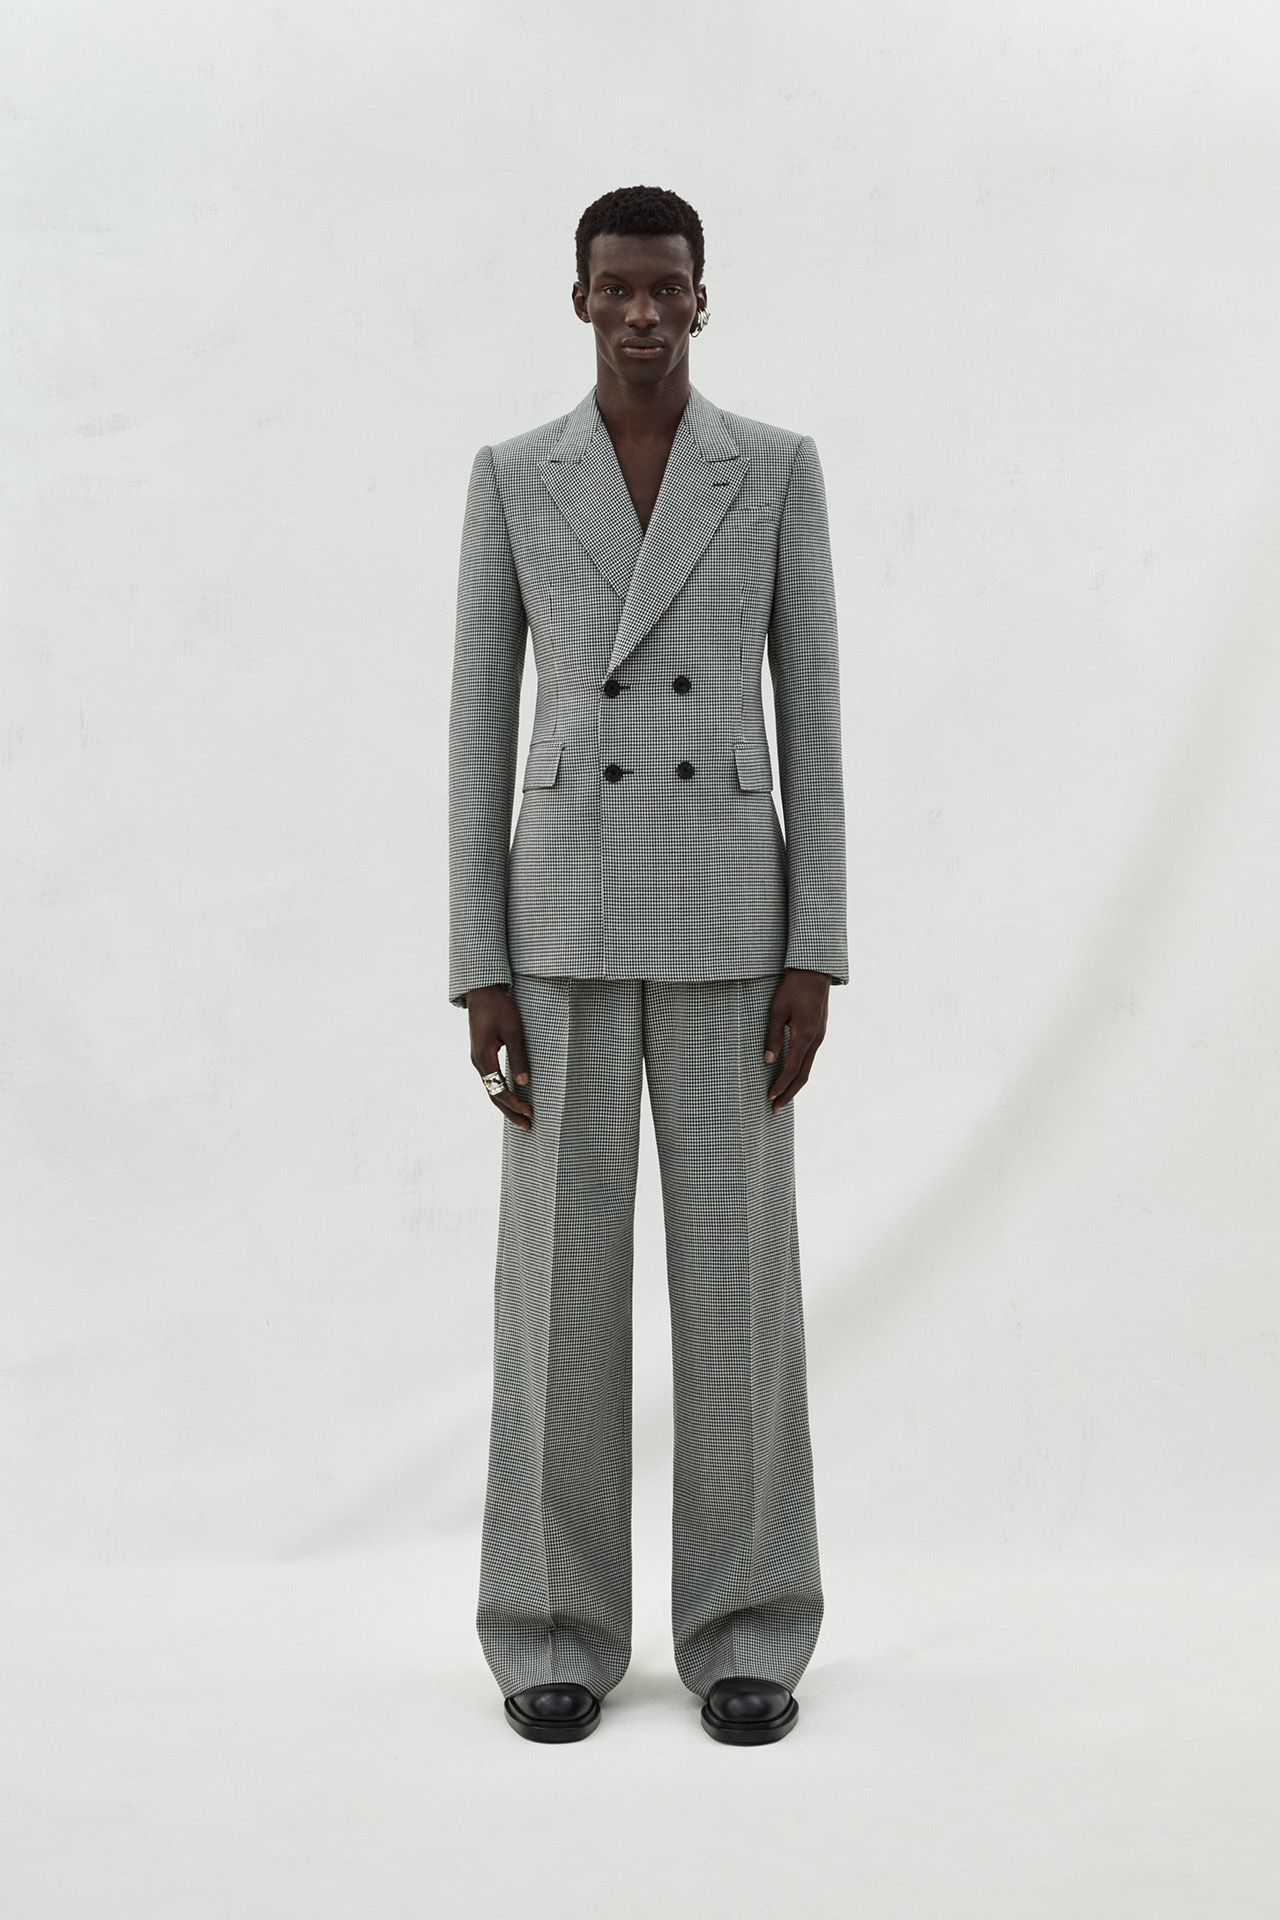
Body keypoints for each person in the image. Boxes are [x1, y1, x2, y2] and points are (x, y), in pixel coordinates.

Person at [449, 184, 847, 1746]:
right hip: (560, 924)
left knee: (740, 1292)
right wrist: (478, 958)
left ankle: (749, 1625)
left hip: (732, 927)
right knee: (558, 1295)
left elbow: (812, 715)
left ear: (700, 298)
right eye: (613, 286)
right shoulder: (512, 477)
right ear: (578, 299)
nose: (639, 311)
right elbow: (479, 727)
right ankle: (549, 1622)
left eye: (663, 286)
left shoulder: (775, 471)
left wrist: (816, 942)